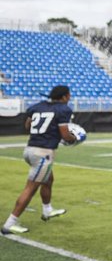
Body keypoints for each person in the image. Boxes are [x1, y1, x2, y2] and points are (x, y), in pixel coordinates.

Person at [2, 84, 78, 235]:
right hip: (43, 153)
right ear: (63, 97)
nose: (69, 98)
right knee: (30, 188)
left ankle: (47, 210)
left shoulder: (38, 106)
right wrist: (74, 139)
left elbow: (28, 125)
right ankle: (10, 223)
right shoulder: (63, 109)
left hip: (30, 150)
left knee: (48, 179)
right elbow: (65, 134)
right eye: (68, 95)